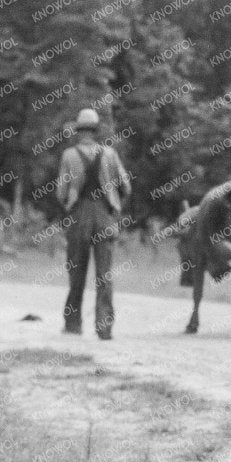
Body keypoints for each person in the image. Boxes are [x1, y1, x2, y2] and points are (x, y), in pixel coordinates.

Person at [56, 107, 132, 339]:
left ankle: (73, 323)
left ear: (79, 131)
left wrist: (70, 204)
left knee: (76, 273)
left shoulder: (69, 156)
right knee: (104, 275)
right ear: (96, 131)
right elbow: (127, 187)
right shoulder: (110, 154)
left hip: (79, 217)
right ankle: (104, 327)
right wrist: (114, 206)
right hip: (104, 216)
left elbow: (61, 193)